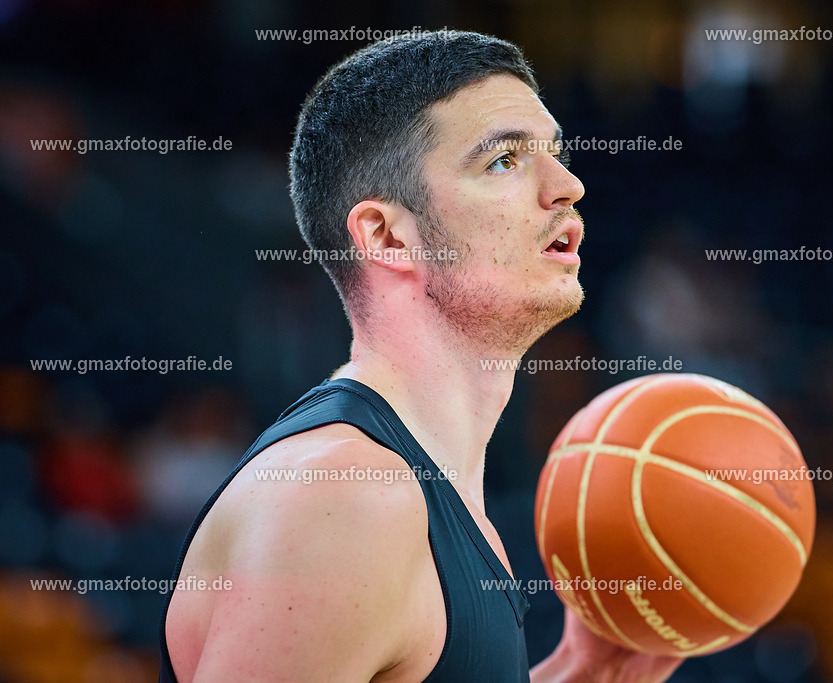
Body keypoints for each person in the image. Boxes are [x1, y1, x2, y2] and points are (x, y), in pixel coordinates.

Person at [160, 30, 685, 682]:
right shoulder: (345, 500)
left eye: (557, 154)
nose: (568, 186)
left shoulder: (422, 495)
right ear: (385, 235)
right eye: (504, 162)